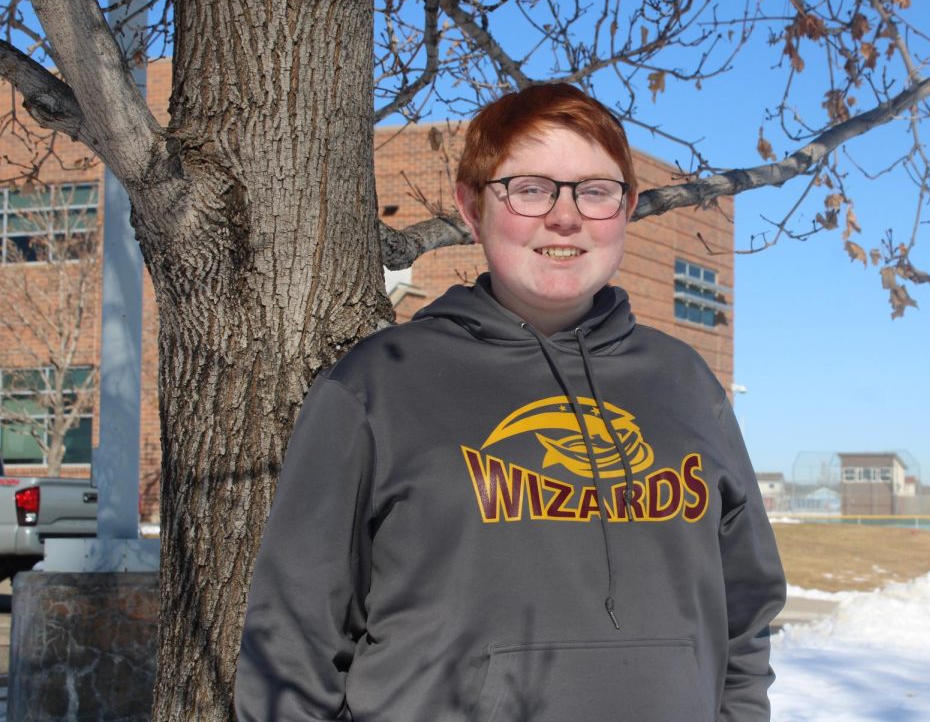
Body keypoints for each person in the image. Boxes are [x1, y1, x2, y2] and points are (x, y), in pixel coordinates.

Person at [235, 84, 786, 721]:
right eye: (529, 188)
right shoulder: (379, 385)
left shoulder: (686, 384)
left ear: (627, 208)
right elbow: (292, 637)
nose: (565, 216)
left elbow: (745, 615)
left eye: (595, 190)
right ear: (473, 208)